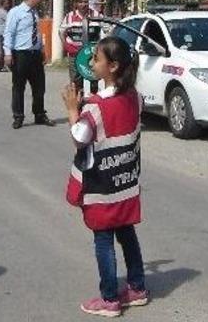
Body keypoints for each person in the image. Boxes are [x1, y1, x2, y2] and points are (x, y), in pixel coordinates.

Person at [62, 36, 147, 318]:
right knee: (127, 232)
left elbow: (79, 138)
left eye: (96, 59)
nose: (91, 63)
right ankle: (137, 287)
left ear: (112, 66)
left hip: (102, 186)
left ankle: (110, 298)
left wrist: (73, 110)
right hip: (125, 182)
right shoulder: (135, 96)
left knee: (103, 240)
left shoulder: (96, 108)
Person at [4, 0, 55, 129]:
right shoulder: (15, 12)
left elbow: (37, 33)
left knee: (39, 86)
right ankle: (18, 116)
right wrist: (7, 53)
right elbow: (8, 33)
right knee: (19, 87)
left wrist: (42, 50)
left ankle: (39, 114)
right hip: (21, 54)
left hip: (35, 54)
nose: (41, 0)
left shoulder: (34, 13)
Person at [60, 0, 98, 81]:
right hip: (75, 53)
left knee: (93, 80)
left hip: (92, 54)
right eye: (80, 2)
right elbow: (61, 31)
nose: (83, 4)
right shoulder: (69, 16)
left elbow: (108, 29)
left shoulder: (96, 15)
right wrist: (66, 46)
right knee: (75, 81)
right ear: (76, 4)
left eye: (86, 2)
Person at [0, 0, 11, 72]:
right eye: (7, 3)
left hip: (5, 33)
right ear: (3, 4)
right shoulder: (2, 12)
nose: (8, 5)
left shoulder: (4, 11)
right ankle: (0, 66)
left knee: (5, 50)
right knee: (3, 50)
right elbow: (10, 20)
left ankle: (3, 66)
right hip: (3, 33)